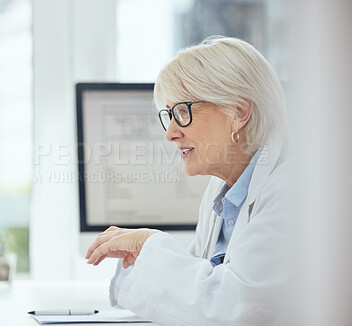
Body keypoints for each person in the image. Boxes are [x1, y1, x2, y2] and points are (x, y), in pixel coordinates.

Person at [86, 36, 291, 326]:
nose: (170, 133)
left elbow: (232, 309)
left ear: (239, 112)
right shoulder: (221, 195)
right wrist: (142, 253)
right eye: (169, 115)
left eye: (182, 112)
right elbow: (191, 287)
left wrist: (150, 244)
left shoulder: (293, 192)